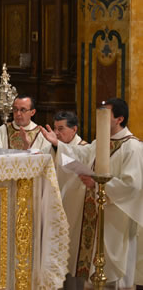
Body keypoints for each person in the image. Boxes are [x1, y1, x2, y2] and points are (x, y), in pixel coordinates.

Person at [41, 98, 143, 289]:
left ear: (119, 118)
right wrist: (58, 145)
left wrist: (98, 185)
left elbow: (133, 187)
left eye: (106, 114)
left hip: (116, 219)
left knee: (113, 272)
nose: (100, 119)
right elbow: (79, 156)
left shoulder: (133, 148)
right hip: (93, 214)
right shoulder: (100, 142)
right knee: (92, 267)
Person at [49, 111, 89, 290]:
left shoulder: (84, 148)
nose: (57, 133)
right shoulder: (54, 146)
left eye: (61, 129)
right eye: (55, 129)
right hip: (56, 208)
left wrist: (57, 145)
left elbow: (76, 165)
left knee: (73, 253)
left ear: (74, 129)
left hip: (77, 209)